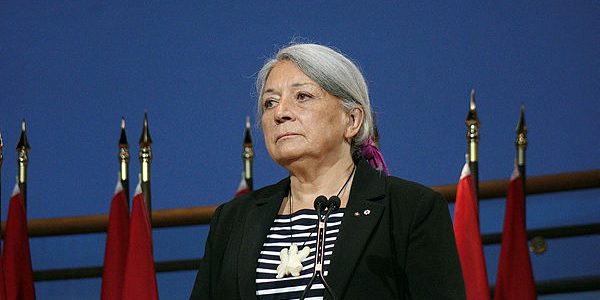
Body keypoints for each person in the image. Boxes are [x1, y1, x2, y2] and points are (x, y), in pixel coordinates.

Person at [190, 43, 465, 299]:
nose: (280, 113)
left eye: (302, 96)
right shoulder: (233, 220)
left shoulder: (409, 210)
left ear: (352, 120)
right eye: (270, 102)